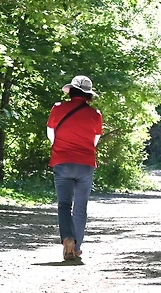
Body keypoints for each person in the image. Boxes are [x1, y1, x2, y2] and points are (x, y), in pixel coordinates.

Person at [47, 74, 103, 261]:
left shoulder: (58, 108)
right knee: (80, 207)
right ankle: (77, 248)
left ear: (70, 91)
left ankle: (67, 239)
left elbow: (51, 134)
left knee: (64, 204)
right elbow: (95, 141)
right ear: (88, 95)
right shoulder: (95, 114)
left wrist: (62, 148)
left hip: (62, 162)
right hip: (86, 164)